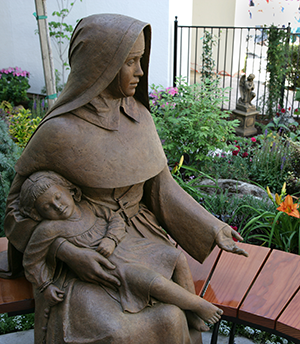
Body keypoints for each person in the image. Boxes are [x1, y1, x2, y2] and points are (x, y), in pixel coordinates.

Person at [4, 13, 248, 344]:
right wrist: (66, 251)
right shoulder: (58, 132)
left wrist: (212, 227)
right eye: (131, 61)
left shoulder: (139, 117)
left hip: (140, 239)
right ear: (100, 64)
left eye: (141, 59)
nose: (141, 72)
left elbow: (161, 188)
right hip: (84, 250)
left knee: (172, 316)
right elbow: (15, 211)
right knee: (117, 332)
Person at [20, 171, 223, 326]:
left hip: (126, 246)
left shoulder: (87, 207)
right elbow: (32, 260)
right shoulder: (47, 229)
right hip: (110, 264)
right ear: (38, 213)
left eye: (58, 197)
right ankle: (197, 305)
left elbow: (114, 219)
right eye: (47, 207)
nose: (57, 206)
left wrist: (111, 239)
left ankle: (189, 310)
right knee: (150, 280)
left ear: (71, 192)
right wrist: (45, 286)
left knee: (175, 256)